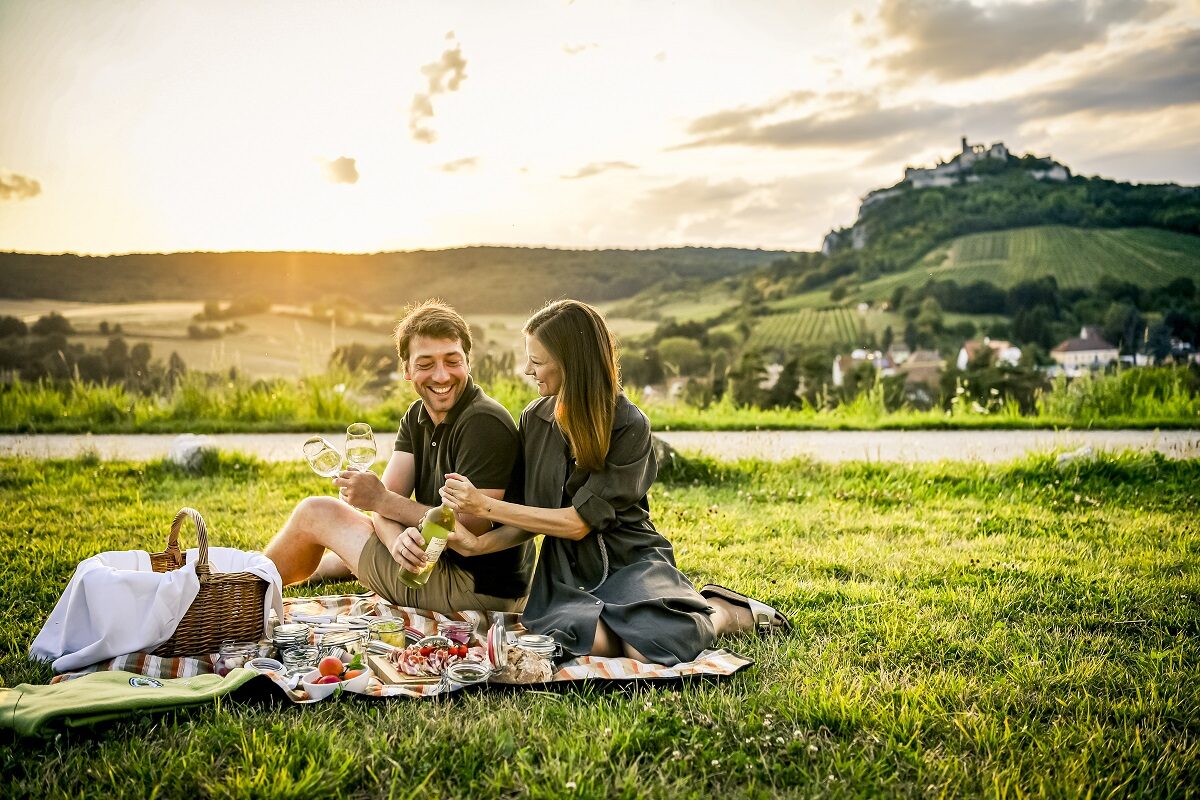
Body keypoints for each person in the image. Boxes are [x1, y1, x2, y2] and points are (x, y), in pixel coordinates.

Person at [392, 299, 788, 666]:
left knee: (652, 645)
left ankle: (720, 610)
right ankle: (655, 617)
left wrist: (483, 507)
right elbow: (528, 519)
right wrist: (478, 543)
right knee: (579, 639)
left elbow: (578, 522)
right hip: (565, 569)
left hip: (629, 558)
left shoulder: (629, 424)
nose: (529, 371)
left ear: (570, 364)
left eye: (537, 362)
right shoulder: (535, 419)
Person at [264, 300, 534, 614]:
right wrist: (394, 542)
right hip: (426, 563)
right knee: (350, 522)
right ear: (406, 370)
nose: (442, 375)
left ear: (468, 362)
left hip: (478, 589)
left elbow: (469, 528)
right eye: (426, 364)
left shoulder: (483, 422)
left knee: (316, 512)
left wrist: (382, 502)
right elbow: (381, 503)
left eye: (452, 360)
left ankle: (244, 589)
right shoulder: (417, 415)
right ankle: (261, 581)